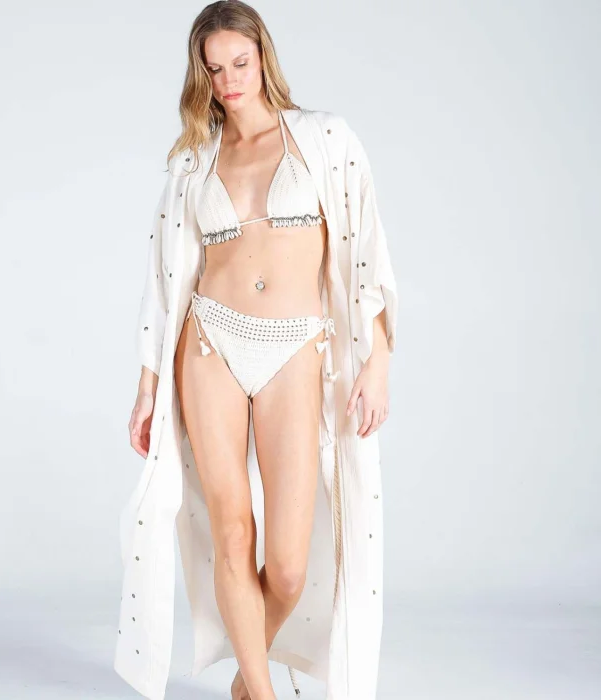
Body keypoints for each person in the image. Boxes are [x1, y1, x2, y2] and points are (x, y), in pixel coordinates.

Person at [117, 2, 399, 700]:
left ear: (264, 58)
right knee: (232, 533)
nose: (229, 80)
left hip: (296, 349)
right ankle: (263, 696)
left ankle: (248, 680)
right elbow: (162, 281)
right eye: (214, 69)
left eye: (239, 63)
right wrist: (148, 387)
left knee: (291, 565)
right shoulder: (193, 162)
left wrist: (379, 361)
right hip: (209, 344)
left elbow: (367, 254)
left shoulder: (325, 138)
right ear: (201, 76)